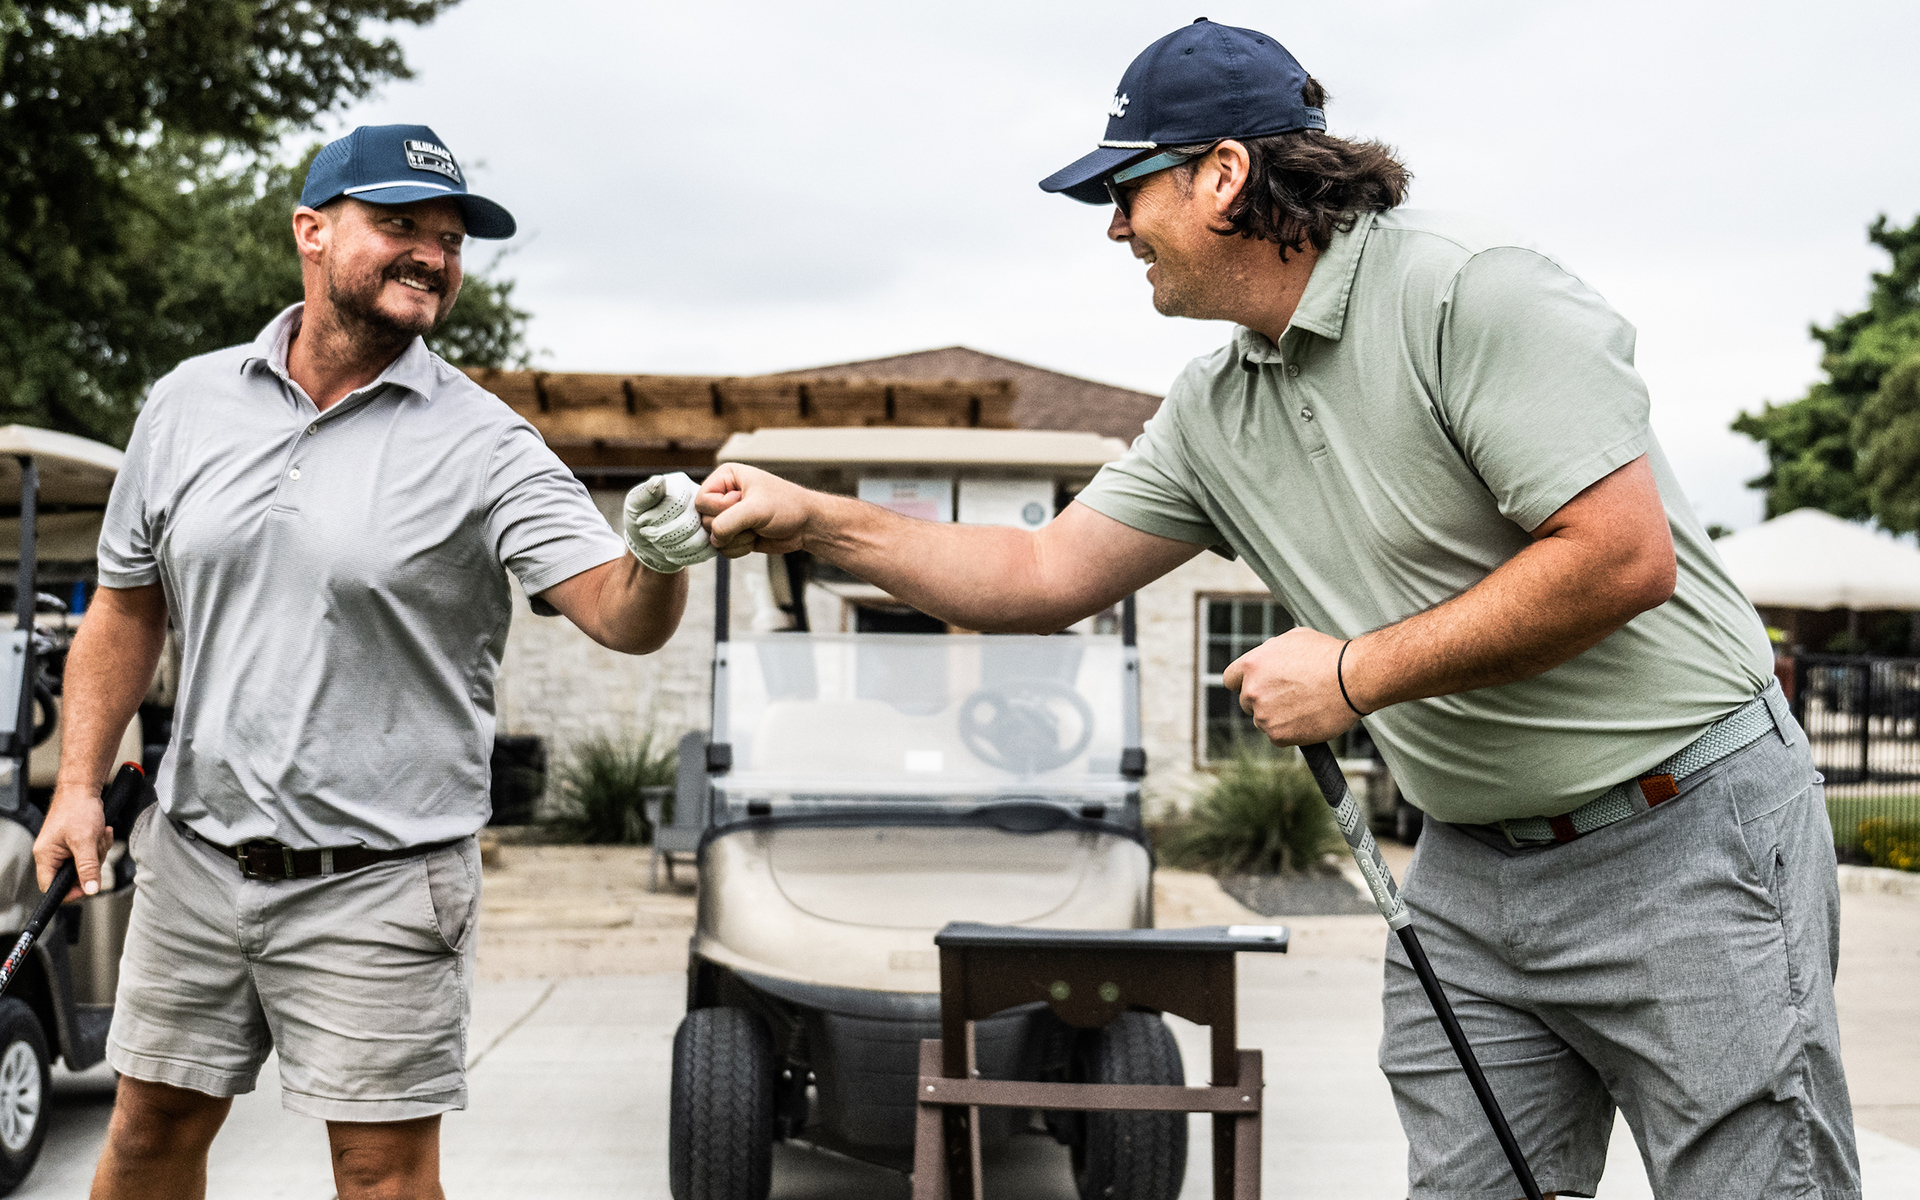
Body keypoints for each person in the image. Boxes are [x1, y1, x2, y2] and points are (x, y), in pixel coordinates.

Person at [695, 20, 1859, 1200]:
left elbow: (1618, 559)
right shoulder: (1214, 407)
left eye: (1124, 190)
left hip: (1684, 831)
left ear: (1223, 175)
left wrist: (1352, 676)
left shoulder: (1473, 291)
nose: (1113, 227)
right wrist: (816, 520)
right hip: (1470, 869)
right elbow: (1041, 573)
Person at [34, 124, 713, 1200]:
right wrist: (76, 787)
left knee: (380, 1174)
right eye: (400, 225)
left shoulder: (487, 444)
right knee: (149, 1132)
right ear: (311, 231)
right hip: (193, 859)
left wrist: (662, 557)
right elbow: (124, 608)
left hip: (383, 881)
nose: (432, 256)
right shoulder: (187, 404)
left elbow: (620, 615)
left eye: (450, 239)